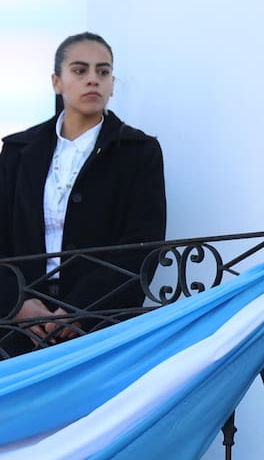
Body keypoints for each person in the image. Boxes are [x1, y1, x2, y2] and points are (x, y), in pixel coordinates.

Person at [0, 32, 167, 357]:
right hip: (17, 329)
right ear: (57, 81)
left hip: (100, 326)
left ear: (112, 83)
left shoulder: (138, 151)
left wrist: (80, 309)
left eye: (103, 72)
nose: (93, 79)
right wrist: (16, 303)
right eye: (80, 70)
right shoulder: (18, 151)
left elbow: (143, 244)